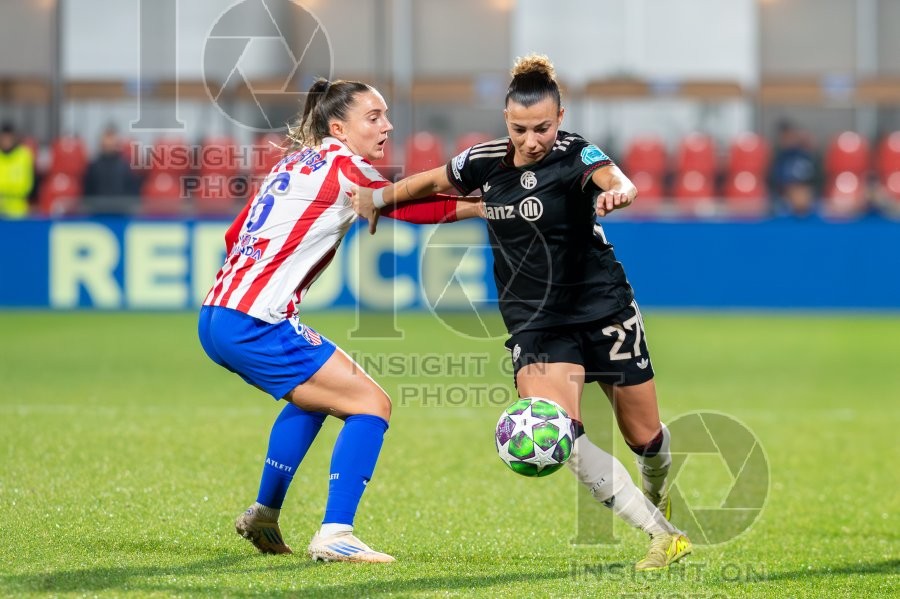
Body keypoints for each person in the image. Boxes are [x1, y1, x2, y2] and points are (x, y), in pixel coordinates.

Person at [353, 54, 692, 571]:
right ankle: (661, 534)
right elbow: (431, 185)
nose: (532, 140)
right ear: (505, 121)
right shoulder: (484, 162)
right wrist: (378, 197)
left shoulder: (576, 153)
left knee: (643, 437)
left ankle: (657, 492)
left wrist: (622, 193)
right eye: (519, 128)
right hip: (536, 322)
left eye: (542, 128)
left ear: (560, 117)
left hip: (603, 307)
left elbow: (614, 177)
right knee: (561, 433)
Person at [198, 78, 481, 563]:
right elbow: (408, 206)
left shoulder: (291, 163)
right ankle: (335, 533)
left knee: (317, 398)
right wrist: (486, 207)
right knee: (372, 405)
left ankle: (265, 512)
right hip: (256, 321)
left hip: (218, 313)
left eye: (386, 115)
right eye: (373, 117)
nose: (387, 125)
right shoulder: (345, 167)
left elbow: (232, 235)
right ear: (338, 127)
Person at [769, 119, 819, 217]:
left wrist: (804, 193)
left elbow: (817, 180)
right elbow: (774, 182)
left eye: (791, 136)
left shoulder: (806, 156)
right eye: (785, 137)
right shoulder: (778, 158)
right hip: (784, 201)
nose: (788, 140)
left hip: (808, 201)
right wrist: (789, 192)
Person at [83, 126, 140, 201]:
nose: (109, 142)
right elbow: (88, 192)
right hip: (98, 210)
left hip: (121, 209)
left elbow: (132, 192)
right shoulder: (93, 167)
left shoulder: (126, 167)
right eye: (107, 138)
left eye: (111, 138)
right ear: (101, 142)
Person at [0, 121, 35, 218]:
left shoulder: (24, 155)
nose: (6, 141)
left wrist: (4, 191)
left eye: (8, 138)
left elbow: (26, 186)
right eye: (3, 138)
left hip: (18, 211)